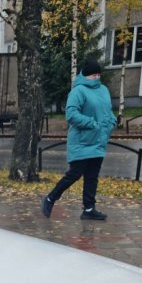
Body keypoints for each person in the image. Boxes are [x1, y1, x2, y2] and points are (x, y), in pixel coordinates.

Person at [41, 57, 117, 222]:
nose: (97, 77)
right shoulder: (78, 91)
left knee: (92, 176)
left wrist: (112, 121)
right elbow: (71, 114)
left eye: (98, 74)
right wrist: (92, 124)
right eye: (93, 75)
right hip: (82, 141)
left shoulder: (103, 90)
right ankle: (50, 198)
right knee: (74, 174)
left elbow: (107, 110)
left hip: (98, 140)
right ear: (85, 75)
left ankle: (89, 209)